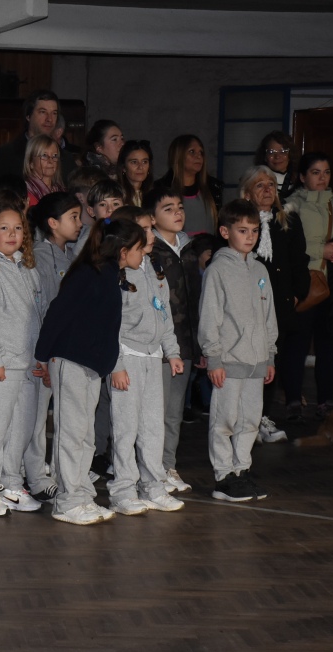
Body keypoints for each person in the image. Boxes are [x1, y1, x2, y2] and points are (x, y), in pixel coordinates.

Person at [34, 217, 147, 526]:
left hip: (91, 365)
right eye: (139, 248)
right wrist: (43, 356)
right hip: (70, 361)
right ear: (123, 251)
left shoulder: (111, 276)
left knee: (85, 435)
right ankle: (67, 501)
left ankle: (81, 494)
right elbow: (58, 313)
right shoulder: (88, 274)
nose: (144, 254)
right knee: (71, 433)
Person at [107, 207, 185, 516]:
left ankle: (153, 485)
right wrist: (117, 365)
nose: (150, 236)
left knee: (153, 427)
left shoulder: (154, 268)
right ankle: (123, 489)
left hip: (154, 360)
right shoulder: (118, 273)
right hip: (128, 359)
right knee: (126, 428)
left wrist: (173, 352)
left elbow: (163, 313)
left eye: (151, 230)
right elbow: (111, 324)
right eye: (144, 231)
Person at [199, 199, 278, 503]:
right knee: (224, 420)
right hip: (229, 361)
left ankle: (241, 470)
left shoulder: (259, 269)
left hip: (257, 360)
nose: (249, 236)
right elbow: (210, 317)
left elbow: (269, 315)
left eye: (255, 231)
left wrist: (269, 355)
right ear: (224, 231)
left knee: (250, 419)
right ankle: (223, 477)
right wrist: (215, 357)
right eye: (242, 230)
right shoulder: (218, 270)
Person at [283, 152, 333, 419]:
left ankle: (326, 400)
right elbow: (288, 246)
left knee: (329, 347)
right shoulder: (292, 206)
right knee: (297, 345)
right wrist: (321, 251)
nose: (321, 177)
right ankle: (293, 399)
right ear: (302, 176)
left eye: (326, 172)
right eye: (315, 172)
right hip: (306, 284)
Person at [0, 196, 43, 516]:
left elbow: (37, 314)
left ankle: (12, 483)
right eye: (3, 227)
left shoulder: (26, 267)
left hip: (28, 363)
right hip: (3, 364)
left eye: (18, 227)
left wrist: (40, 354)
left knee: (22, 427)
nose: (12, 233)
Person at [239, 166, 309, 439]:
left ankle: (261, 417)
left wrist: (296, 293)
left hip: (278, 303)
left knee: (269, 360)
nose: (268, 190)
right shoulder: (239, 220)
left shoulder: (287, 219)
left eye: (271, 184)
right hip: (246, 302)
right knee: (246, 361)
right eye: (260, 185)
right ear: (247, 192)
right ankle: (243, 421)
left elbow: (299, 260)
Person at [26, 192, 83, 504]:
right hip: (45, 351)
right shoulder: (39, 257)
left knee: (66, 417)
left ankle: (64, 474)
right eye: (73, 216)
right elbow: (45, 309)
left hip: (66, 350)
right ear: (52, 223)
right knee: (36, 418)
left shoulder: (71, 255)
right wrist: (44, 354)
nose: (79, 222)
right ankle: (35, 476)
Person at [146, 187, 199, 492]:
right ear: (153, 218)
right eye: (168, 208)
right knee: (156, 409)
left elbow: (197, 299)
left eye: (180, 207)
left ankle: (168, 466)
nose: (178, 212)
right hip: (159, 346)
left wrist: (199, 343)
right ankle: (151, 468)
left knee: (174, 411)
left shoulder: (188, 248)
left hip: (186, 343)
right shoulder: (150, 251)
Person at [0, 90, 59, 189]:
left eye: (54, 113)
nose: (49, 119)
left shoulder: (65, 158)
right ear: (28, 116)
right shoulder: (5, 156)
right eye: (43, 112)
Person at [155, 135, 223, 235]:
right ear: (178, 155)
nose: (199, 156)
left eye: (201, 152)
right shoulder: (161, 189)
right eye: (192, 152)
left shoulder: (213, 188)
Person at [254, 131, 299, 200]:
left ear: (290, 154)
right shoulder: (255, 181)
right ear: (265, 156)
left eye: (283, 151)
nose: (277, 156)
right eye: (271, 152)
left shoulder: (300, 179)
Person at [23, 134, 64, 207]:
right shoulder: (24, 194)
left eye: (54, 156)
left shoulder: (61, 192)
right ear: (31, 163)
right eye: (44, 156)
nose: (50, 161)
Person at [118, 140, 153, 207]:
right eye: (134, 162)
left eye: (144, 162)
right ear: (123, 167)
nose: (140, 167)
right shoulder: (116, 195)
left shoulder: (154, 194)